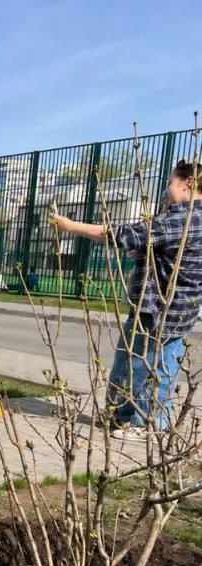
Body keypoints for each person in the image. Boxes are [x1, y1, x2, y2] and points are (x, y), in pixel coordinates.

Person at [50, 160, 202, 440]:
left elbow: (123, 234)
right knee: (163, 367)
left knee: (133, 362)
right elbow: (176, 256)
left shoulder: (183, 217)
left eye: (170, 183)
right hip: (183, 310)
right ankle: (149, 422)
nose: (167, 190)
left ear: (187, 183)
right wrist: (148, 254)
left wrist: (70, 226)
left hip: (156, 308)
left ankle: (131, 420)